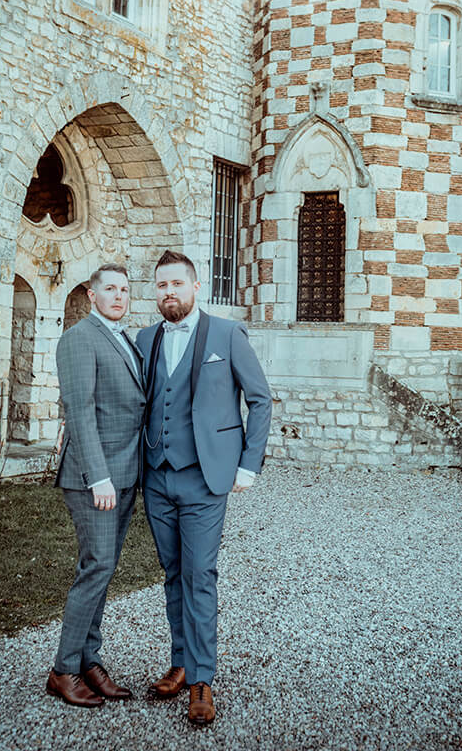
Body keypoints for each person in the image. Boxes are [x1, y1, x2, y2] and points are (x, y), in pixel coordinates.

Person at [136, 250, 272, 726]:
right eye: (160, 285)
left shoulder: (227, 334)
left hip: (205, 478)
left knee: (199, 575)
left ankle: (201, 681)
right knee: (172, 575)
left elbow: (259, 399)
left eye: (176, 284)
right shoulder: (146, 338)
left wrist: (248, 466)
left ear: (196, 287)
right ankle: (180, 663)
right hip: (156, 475)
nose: (168, 292)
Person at [46, 264, 146, 707]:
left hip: (126, 474)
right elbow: (80, 411)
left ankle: (90, 660)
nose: (119, 296)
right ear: (92, 294)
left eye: (125, 290)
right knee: (96, 568)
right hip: (95, 479)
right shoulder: (79, 338)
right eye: (110, 289)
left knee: (103, 571)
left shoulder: (125, 338)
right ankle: (63, 669)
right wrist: (98, 477)